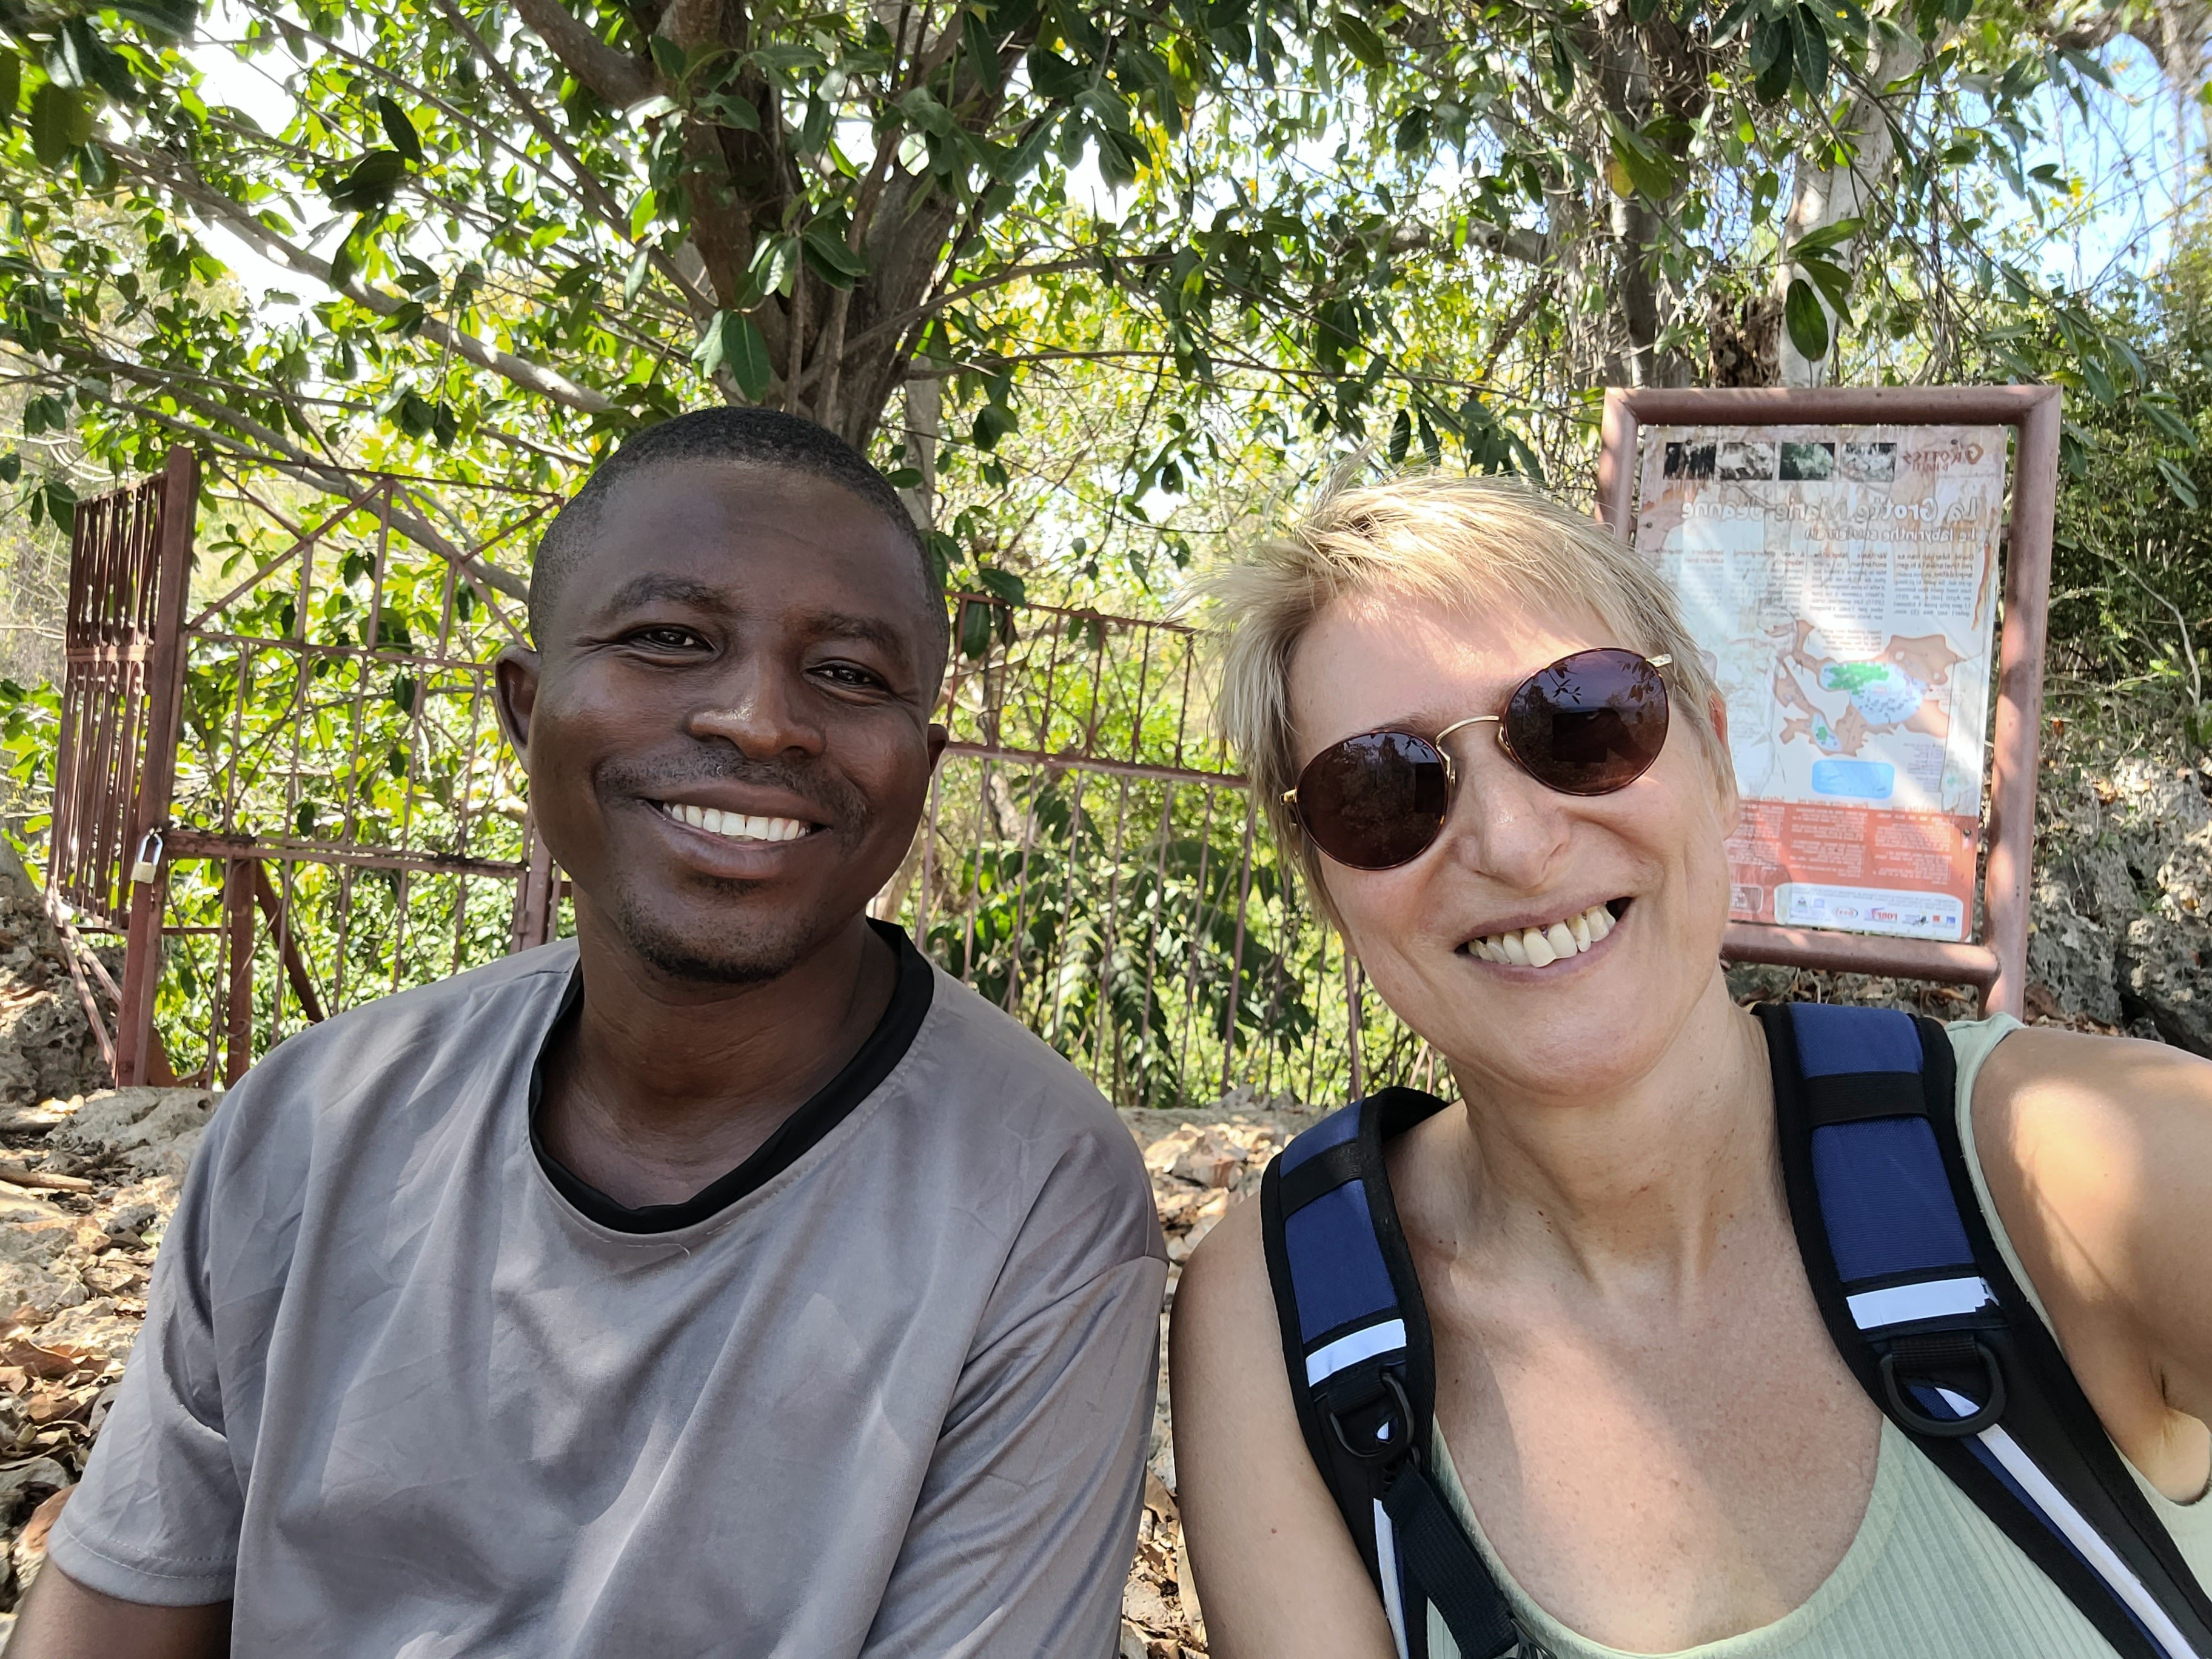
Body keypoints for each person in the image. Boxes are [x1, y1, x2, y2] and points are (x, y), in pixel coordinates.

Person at [13, 408, 1167, 1658]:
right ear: (526, 705)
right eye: (670, 639)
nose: (759, 719)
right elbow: (114, 1619)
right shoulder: (311, 1126)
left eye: (847, 673)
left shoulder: (1033, 1201)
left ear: (921, 765)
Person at [1170, 474, 2212, 1659]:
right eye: (1384, 789)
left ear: (1716, 763)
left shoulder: (2068, 1166)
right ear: (1327, 889)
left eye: (1583, 722)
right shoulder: (1286, 1315)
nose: (1513, 843)